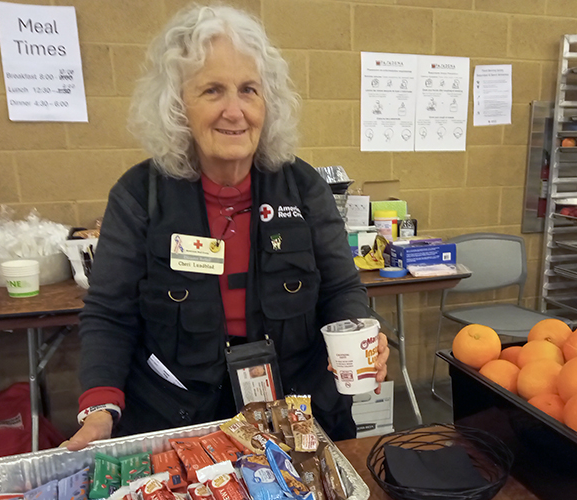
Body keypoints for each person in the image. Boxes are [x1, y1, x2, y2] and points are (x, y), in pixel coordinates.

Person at [66, 3, 388, 450]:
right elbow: (110, 313)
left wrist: (358, 333)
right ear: (178, 105)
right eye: (213, 90)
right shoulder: (140, 194)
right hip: (180, 417)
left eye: (249, 90)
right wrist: (100, 409)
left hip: (297, 411)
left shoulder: (303, 186)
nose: (234, 111)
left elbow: (340, 288)